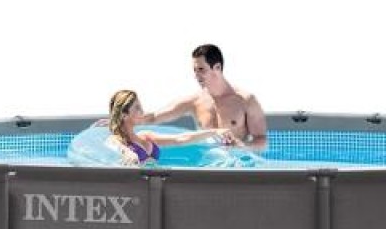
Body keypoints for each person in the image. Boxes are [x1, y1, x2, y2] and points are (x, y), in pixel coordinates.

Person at [98, 45, 268, 151]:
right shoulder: (194, 101)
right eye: (194, 70)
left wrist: (241, 147)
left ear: (217, 67)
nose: (196, 75)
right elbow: (155, 117)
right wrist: (118, 119)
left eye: (201, 69)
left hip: (236, 166)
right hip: (208, 165)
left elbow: (262, 142)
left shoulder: (246, 101)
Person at [107, 89, 235, 165]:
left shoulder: (146, 136)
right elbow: (118, 147)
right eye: (137, 108)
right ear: (124, 115)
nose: (143, 111)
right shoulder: (116, 140)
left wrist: (215, 132)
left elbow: (180, 139)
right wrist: (127, 152)